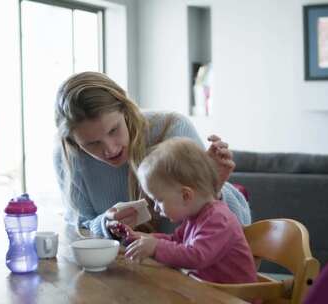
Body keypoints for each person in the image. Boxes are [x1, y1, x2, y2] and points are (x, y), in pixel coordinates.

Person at [54, 71, 250, 238]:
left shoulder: (171, 128)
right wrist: (105, 225)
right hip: (120, 274)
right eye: (92, 143)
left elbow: (242, 229)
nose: (110, 149)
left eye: (114, 130)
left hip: (188, 272)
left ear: (125, 110)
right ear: (73, 142)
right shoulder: (68, 158)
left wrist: (213, 188)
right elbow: (79, 229)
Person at [120, 137, 258, 285]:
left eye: (158, 201)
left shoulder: (219, 219)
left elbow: (197, 255)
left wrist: (155, 247)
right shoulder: (196, 216)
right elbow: (176, 241)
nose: (155, 208)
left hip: (237, 298)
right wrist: (144, 239)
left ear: (186, 195)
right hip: (210, 291)